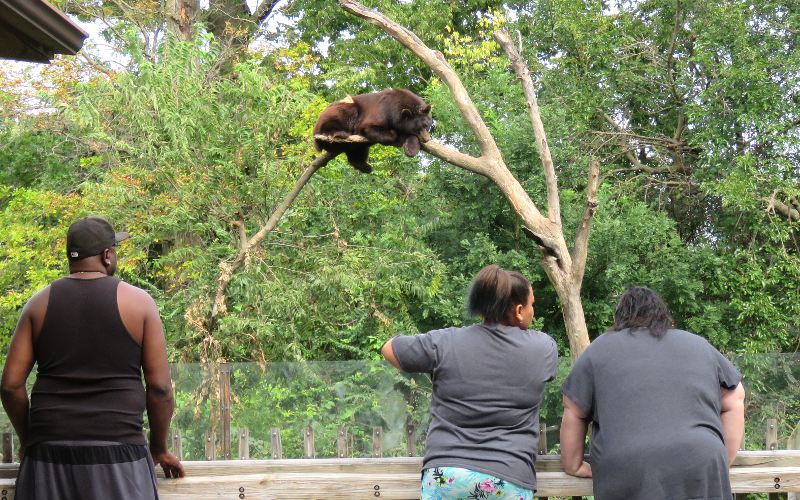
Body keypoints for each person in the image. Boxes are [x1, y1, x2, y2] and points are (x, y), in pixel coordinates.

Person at [1, 215, 185, 500]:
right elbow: (160, 389)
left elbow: (11, 386)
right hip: (120, 457)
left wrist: (29, 441)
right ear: (107, 256)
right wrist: (158, 448)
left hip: (49, 455)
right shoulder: (139, 303)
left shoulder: (37, 304)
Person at [381, 264, 558, 499]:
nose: (532, 311)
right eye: (532, 304)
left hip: (445, 475)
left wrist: (437, 369)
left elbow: (389, 348)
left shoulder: (446, 341)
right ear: (518, 310)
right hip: (506, 477)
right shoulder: (543, 348)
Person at [560, 286, 746, 500]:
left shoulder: (598, 349)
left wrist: (574, 465)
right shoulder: (698, 345)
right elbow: (735, 396)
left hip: (627, 467)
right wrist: (724, 458)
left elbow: (573, 409)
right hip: (699, 461)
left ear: (620, 317)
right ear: (662, 314)